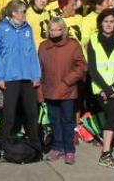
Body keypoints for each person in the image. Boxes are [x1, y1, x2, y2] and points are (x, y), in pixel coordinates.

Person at [0, 0, 41, 151]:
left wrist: (36, 75)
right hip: (10, 78)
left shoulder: (28, 28)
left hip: (27, 77)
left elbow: (32, 52)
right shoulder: (1, 29)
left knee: (32, 113)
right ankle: (4, 144)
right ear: (14, 13)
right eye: (23, 11)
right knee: (9, 114)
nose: (26, 14)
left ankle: (35, 145)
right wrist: (0, 77)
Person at [38, 17, 86, 165]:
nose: (54, 32)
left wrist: (67, 81)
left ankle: (69, 149)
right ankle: (57, 147)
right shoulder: (43, 46)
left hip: (67, 90)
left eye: (57, 29)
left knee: (67, 120)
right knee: (54, 120)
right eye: (51, 29)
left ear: (63, 30)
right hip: (50, 89)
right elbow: (39, 70)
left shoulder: (72, 45)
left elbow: (81, 66)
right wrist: (39, 91)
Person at [86, 10, 114, 168]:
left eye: (111, 21)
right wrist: (106, 88)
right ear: (100, 23)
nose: (108, 24)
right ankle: (105, 155)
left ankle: (110, 143)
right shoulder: (93, 40)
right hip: (101, 88)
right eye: (105, 21)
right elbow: (92, 68)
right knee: (113, 113)